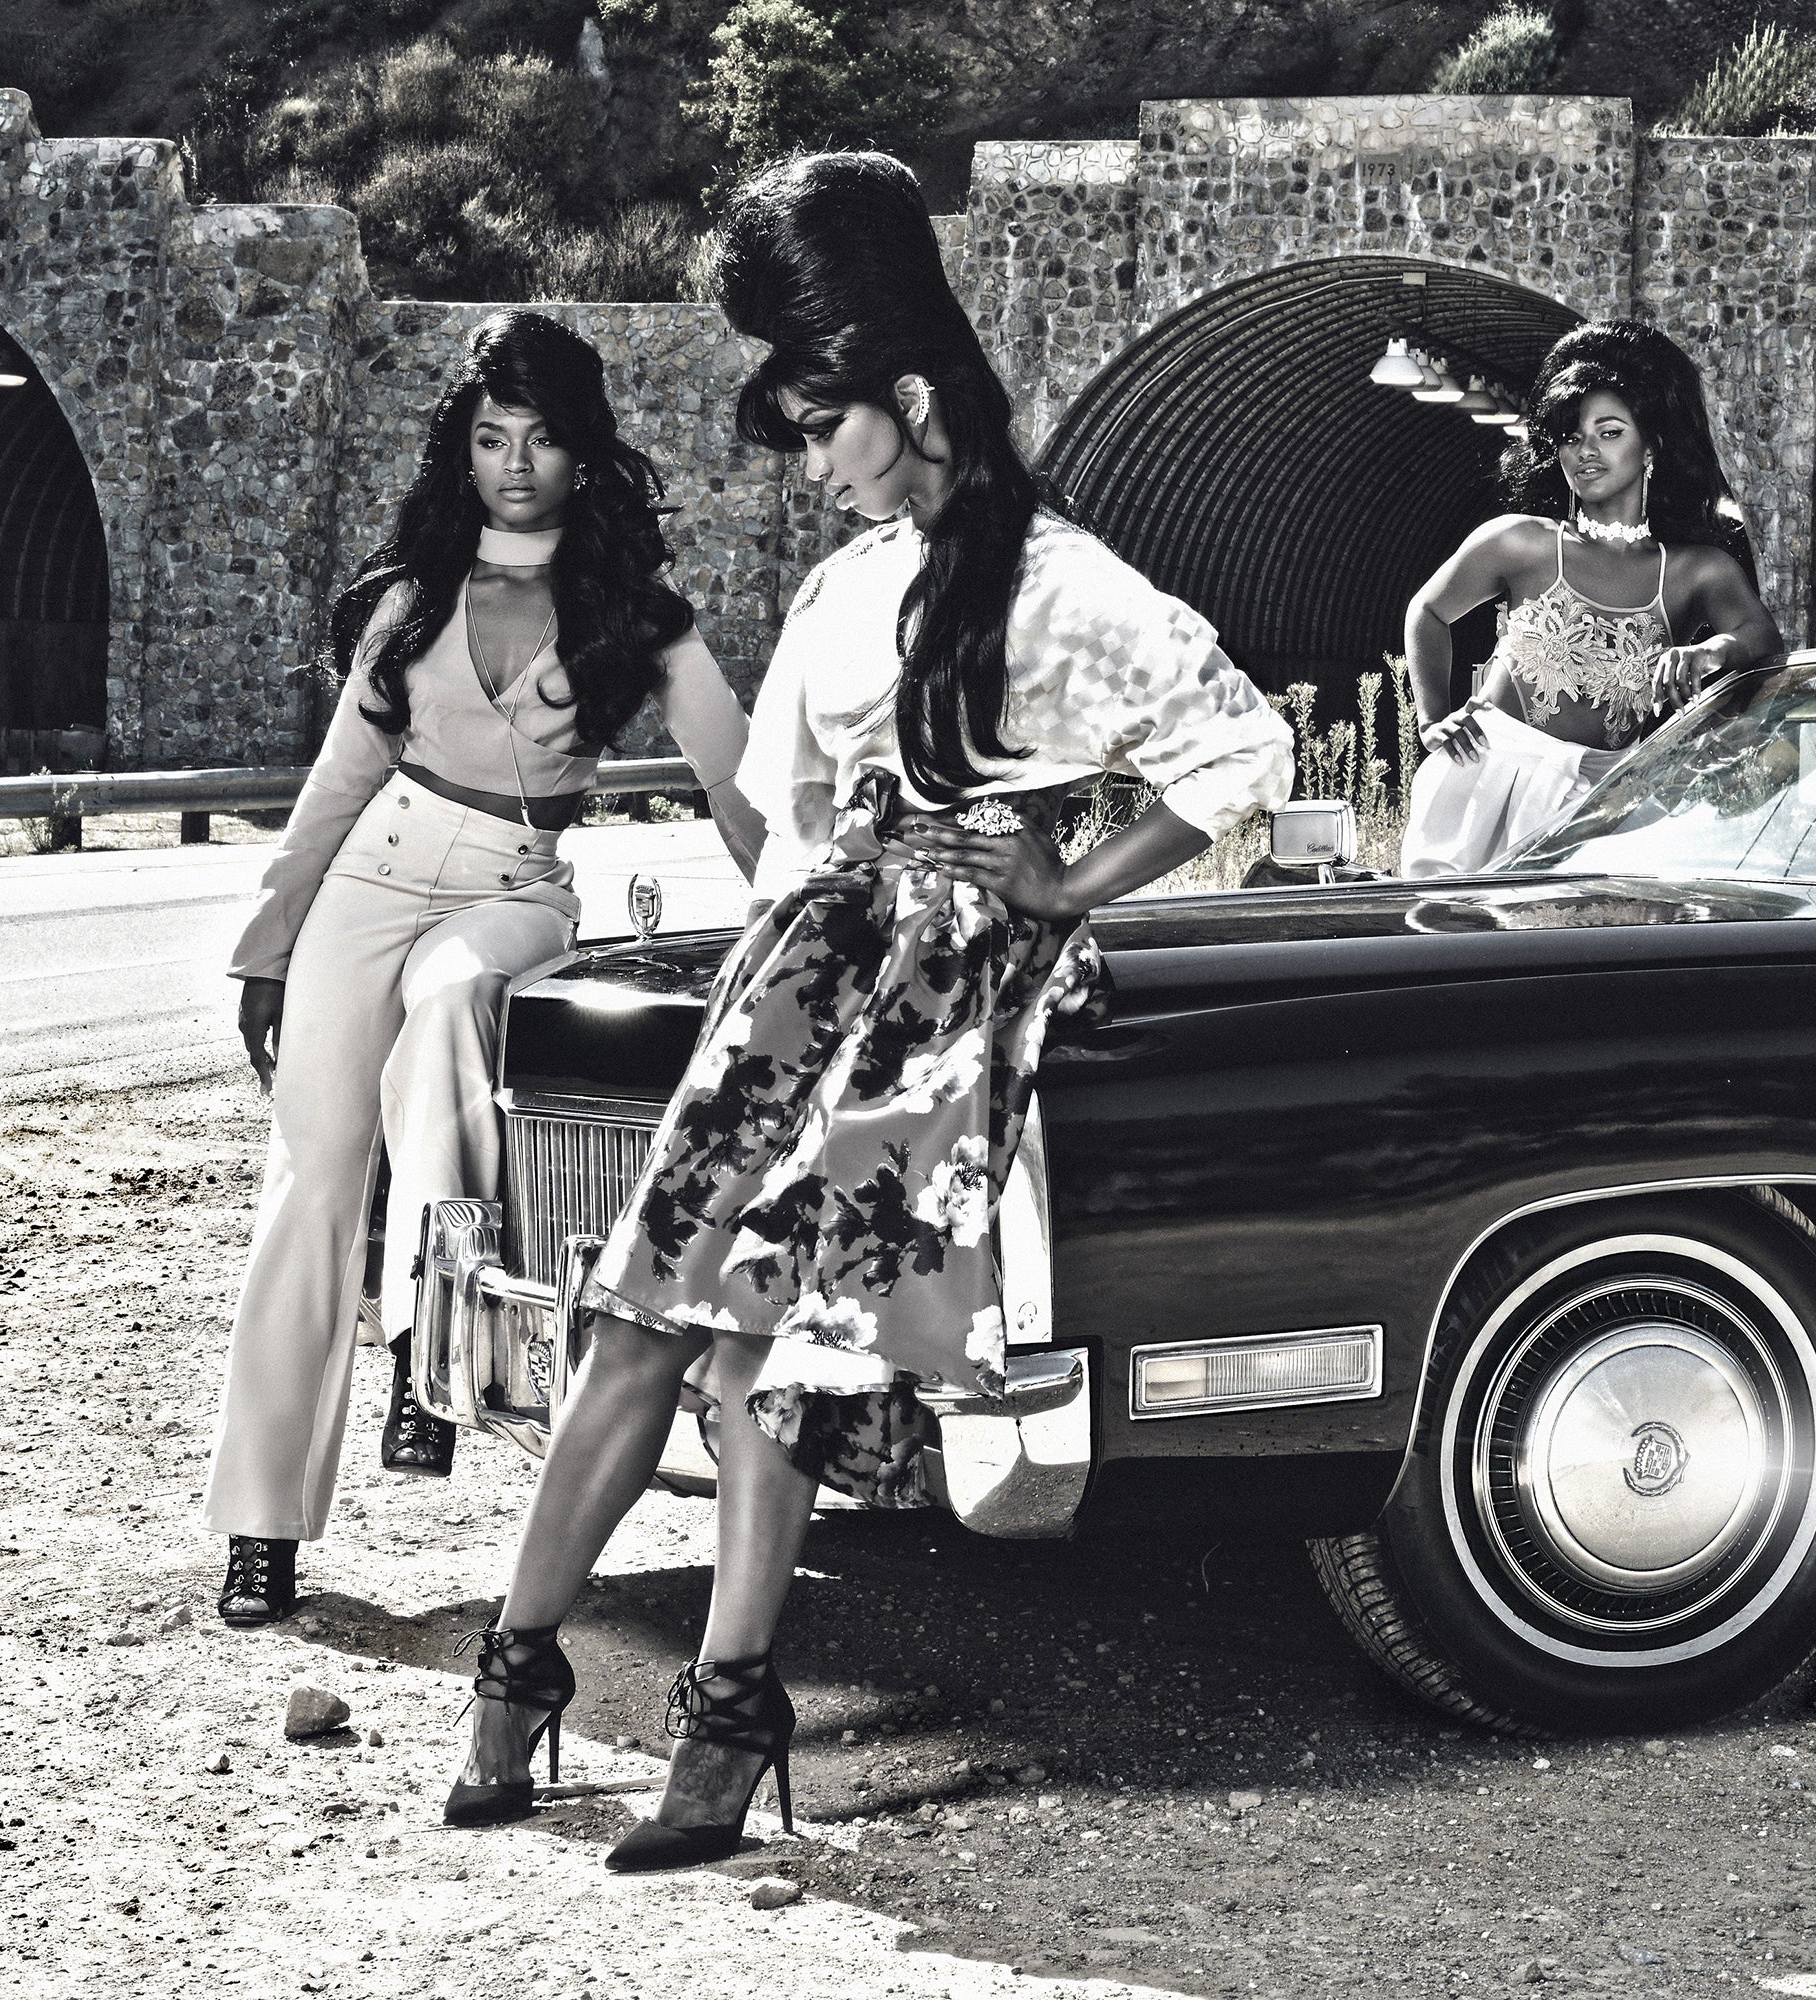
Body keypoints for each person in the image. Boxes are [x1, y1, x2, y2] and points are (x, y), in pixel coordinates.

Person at [438, 152, 1294, 1864]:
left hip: (936, 1006)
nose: (811, 465)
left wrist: (1060, 881)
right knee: (633, 1326)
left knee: (773, 1366)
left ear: (910, 399)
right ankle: (514, 1685)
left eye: (825, 423)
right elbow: (777, 819)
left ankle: (730, 1725)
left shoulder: (1060, 582)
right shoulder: (846, 587)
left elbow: (1241, 746)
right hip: (803, 970)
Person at [201, 310, 764, 1628]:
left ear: (583, 454)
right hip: (370, 873)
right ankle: (261, 1530)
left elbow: (735, 784)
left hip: (513, 890)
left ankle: (424, 1340)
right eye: (492, 436)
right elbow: (341, 781)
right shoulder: (411, 602)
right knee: (310, 1184)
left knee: (453, 1001)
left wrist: (797, 915)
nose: (515, 464)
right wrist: (269, 949)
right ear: (463, 448)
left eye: (543, 438)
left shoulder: (640, 615)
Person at [1397, 321, 1783, 877]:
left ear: (1649, 445)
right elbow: (1427, 612)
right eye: (1572, 436)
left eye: (1609, 432)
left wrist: (1711, 652)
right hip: (1481, 778)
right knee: (1447, 953)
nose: (1587, 452)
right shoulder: (1519, 541)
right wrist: (1433, 719)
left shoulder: (1695, 571)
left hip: (1603, 796)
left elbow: (1762, 638)